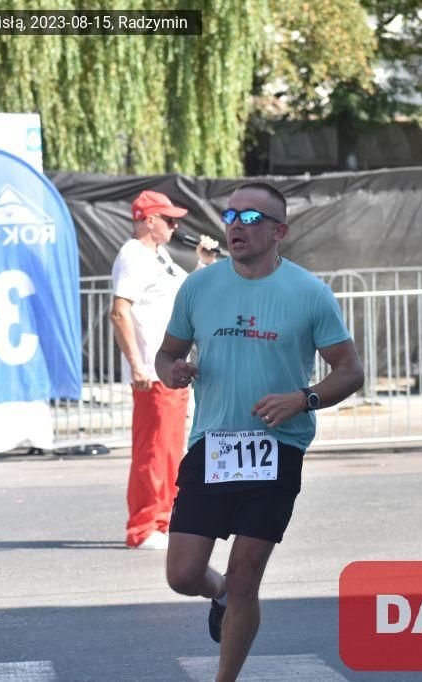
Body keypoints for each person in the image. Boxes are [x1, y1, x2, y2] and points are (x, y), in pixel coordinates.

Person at [155, 182, 364, 680]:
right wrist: (172, 371)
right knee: (183, 574)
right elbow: (167, 355)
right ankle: (220, 592)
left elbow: (350, 371)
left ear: (279, 232)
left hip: (276, 447)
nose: (236, 226)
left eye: (251, 218)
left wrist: (304, 398)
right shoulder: (199, 287)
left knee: (247, 576)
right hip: (213, 445)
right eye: (230, 216)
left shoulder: (309, 293)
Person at [109, 190, 218, 550]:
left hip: (169, 371)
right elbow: (120, 311)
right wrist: (137, 364)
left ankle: (164, 520)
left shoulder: (160, 256)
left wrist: (203, 263)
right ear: (149, 220)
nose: (174, 226)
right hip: (153, 373)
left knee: (170, 450)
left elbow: (184, 293)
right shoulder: (133, 255)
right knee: (153, 450)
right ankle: (143, 527)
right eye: (169, 219)